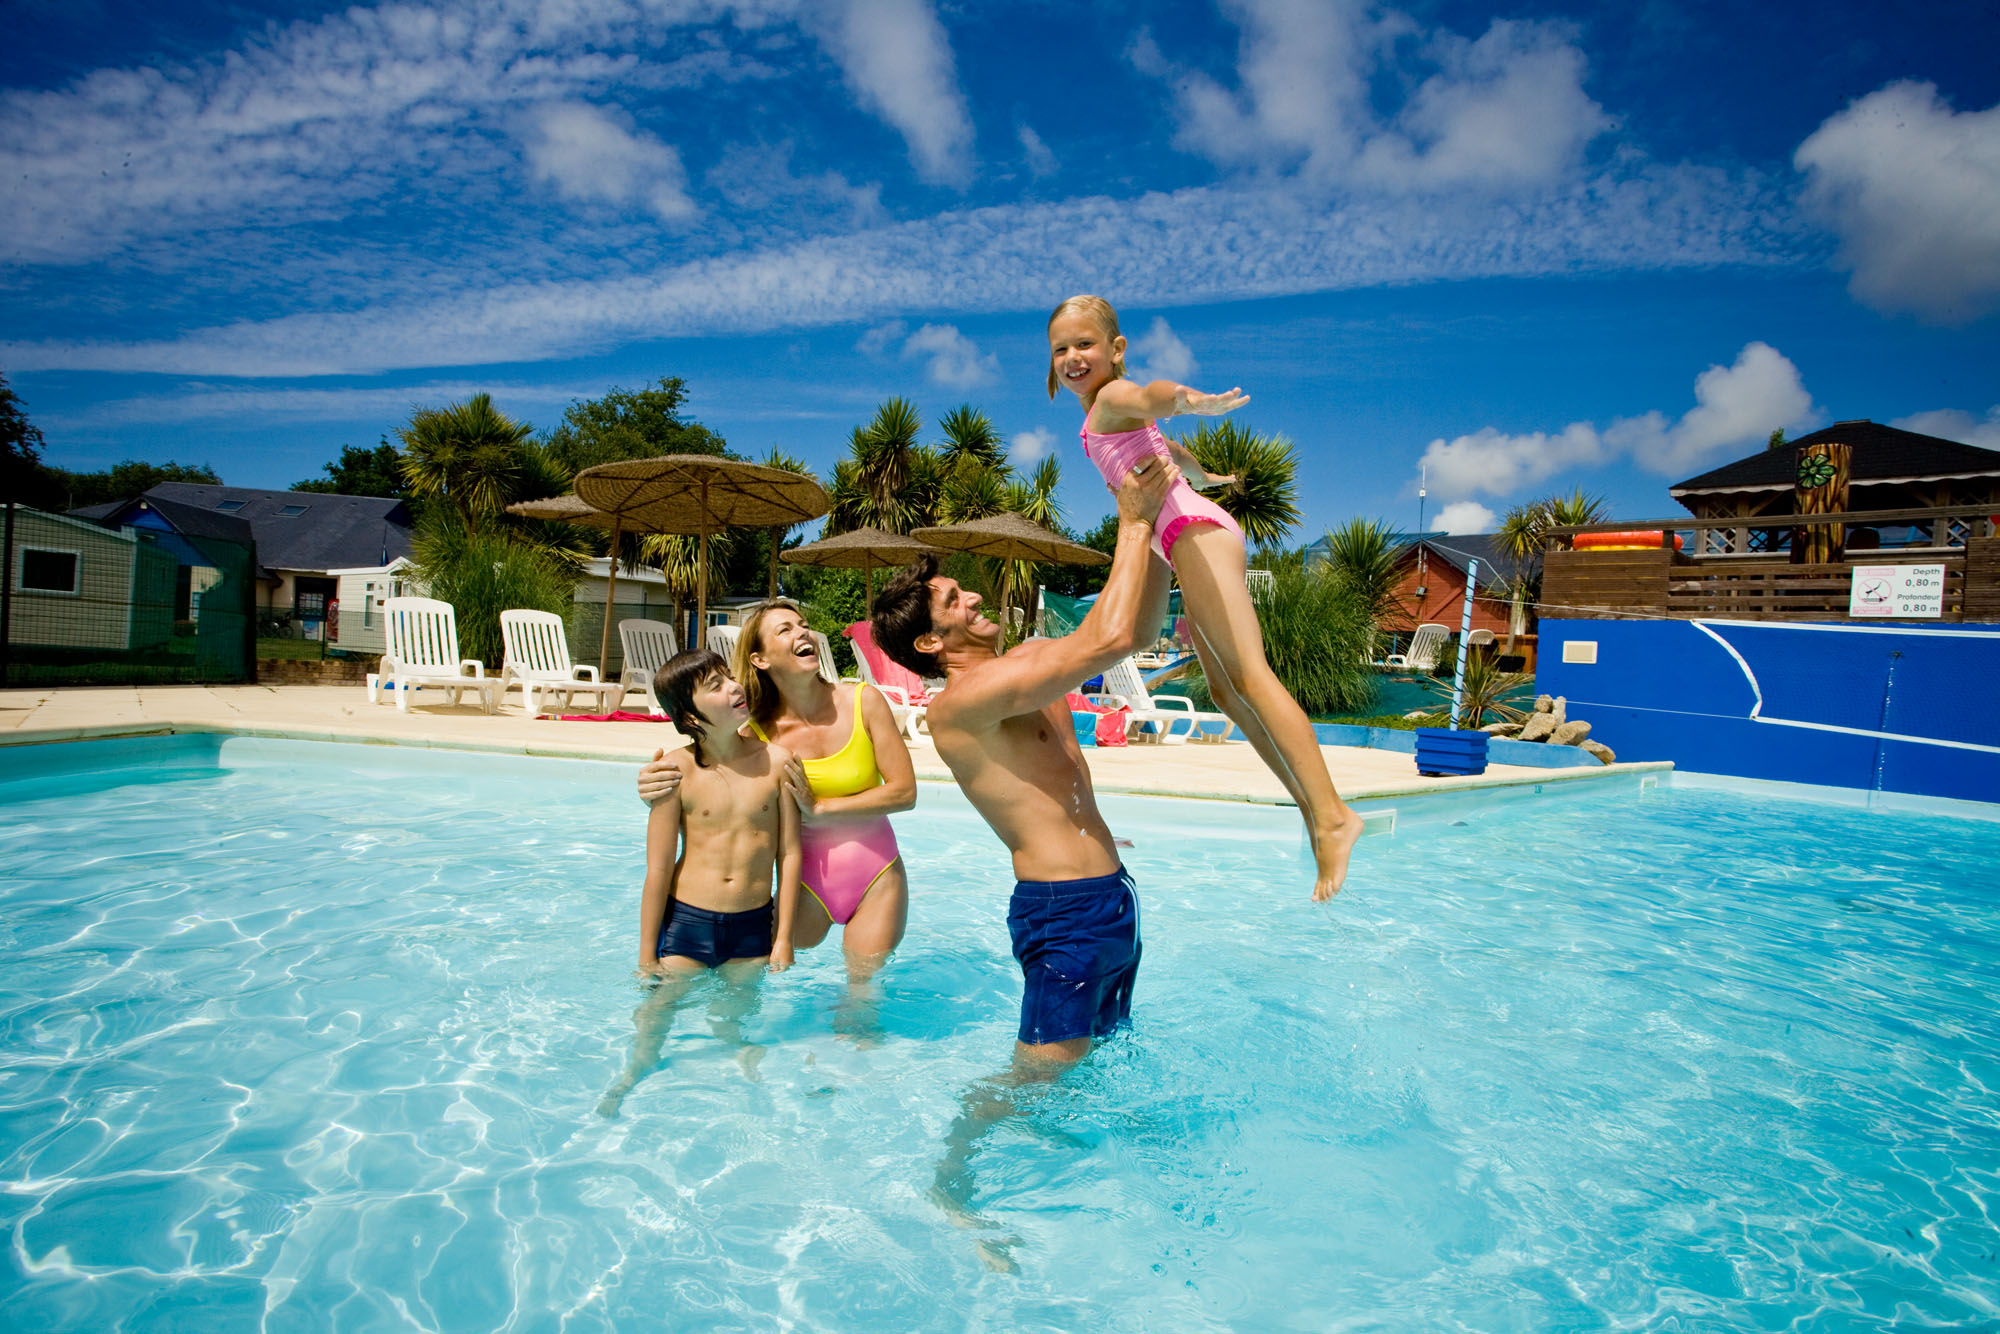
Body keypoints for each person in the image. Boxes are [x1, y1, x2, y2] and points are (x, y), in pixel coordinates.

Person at [1047, 293, 1364, 901]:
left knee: (1250, 675)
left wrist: (1191, 402)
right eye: (1061, 348)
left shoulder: (1114, 398)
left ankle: (1332, 814)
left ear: (1115, 351)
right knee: (1218, 686)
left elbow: (1152, 397)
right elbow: (1167, 448)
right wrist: (1205, 474)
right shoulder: (1097, 417)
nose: (1072, 357)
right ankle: (1309, 806)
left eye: (1085, 344)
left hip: (1193, 531)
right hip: (1175, 533)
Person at [638, 600, 915, 993]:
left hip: (876, 875)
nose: (802, 632)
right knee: (740, 990)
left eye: (803, 625)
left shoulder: (862, 700)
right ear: (760, 659)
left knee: (862, 1002)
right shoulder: (754, 735)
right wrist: (652, 784)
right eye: (785, 630)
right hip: (800, 888)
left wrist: (821, 809)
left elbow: (905, 792)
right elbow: (711, 773)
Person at [599, 649, 800, 1116]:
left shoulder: (778, 761)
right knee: (657, 1012)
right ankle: (637, 1069)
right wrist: (646, 954)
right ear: (690, 715)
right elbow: (658, 868)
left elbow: (790, 855)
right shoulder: (675, 770)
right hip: (688, 923)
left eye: (730, 677)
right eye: (715, 684)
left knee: (737, 1016)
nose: (734, 686)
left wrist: (784, 936)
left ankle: (747, 1074)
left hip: (753, 925)